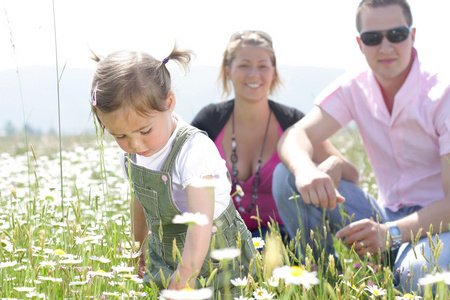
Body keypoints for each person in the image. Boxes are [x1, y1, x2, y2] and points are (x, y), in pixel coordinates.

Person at [273, 0, 450, 293]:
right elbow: (295, 135)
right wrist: (306, 170)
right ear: (360, 43)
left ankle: (389, 267)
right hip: (382, 214)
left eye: (396, 34)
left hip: (437, 225)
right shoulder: (355, 86)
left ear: (413, 36)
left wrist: (390, 234)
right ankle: (331, 276)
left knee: (419, 275)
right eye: (372, 38)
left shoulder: (442, 94)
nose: (385, 46)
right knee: (287, 176)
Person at [89, 46, 255, 296]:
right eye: (119, 135)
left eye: (145, 131)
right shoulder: (135, 154)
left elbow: (201, 219)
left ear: (169, 103)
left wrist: (187, 272)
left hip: (215, 252)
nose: (135, 144)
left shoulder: (192, 151)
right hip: (165, 249)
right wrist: (138, 246)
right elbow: (141, 199)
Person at [192, 30, 360, 239]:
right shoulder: (210, 121)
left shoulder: (291, 122)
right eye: (244, 65)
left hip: (285, 240)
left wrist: (333, 163)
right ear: (228, 71)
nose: (254, 74)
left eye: (263, 66)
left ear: (273, 72)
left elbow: (352, 176)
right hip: (221, 241)